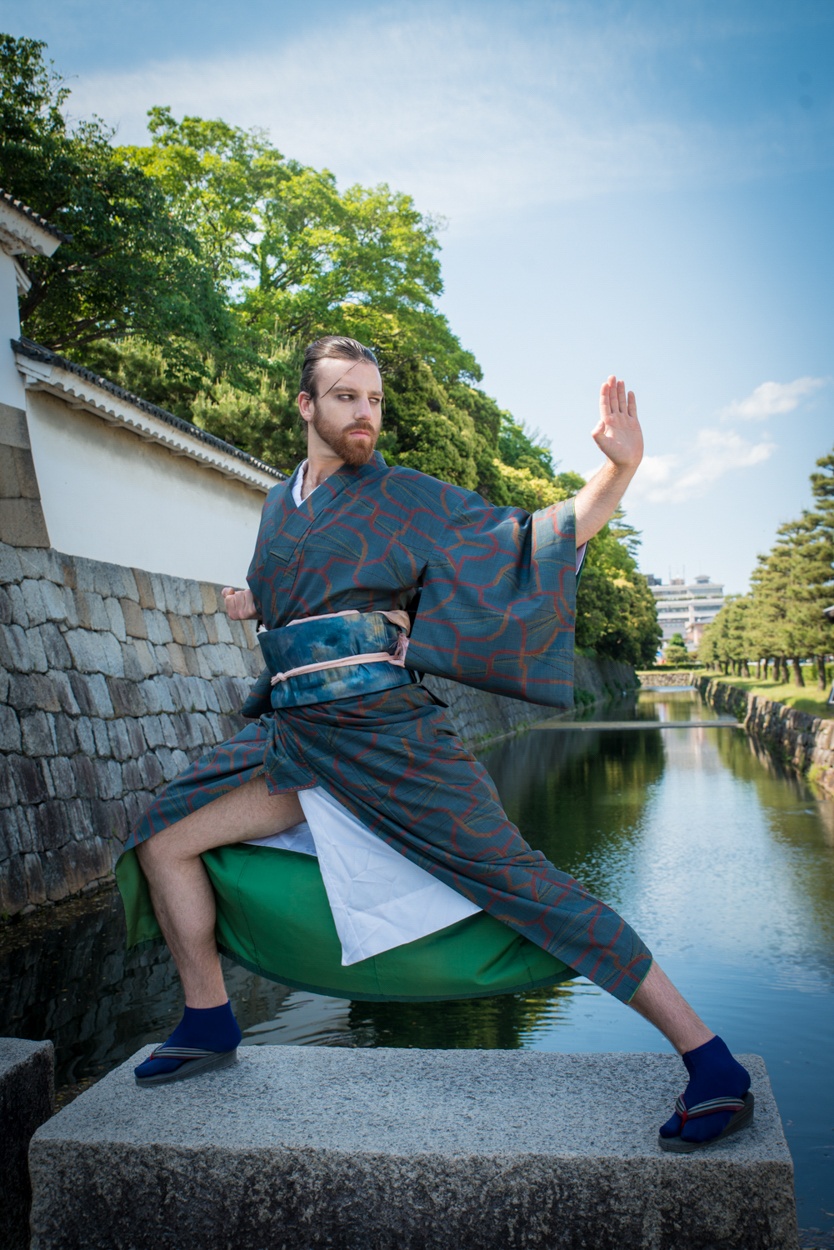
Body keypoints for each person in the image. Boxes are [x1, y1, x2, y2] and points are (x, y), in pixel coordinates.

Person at [119, 336, 752, 1152]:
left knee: (522, 885)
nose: (365, 414)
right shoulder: (282, 504)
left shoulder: (407, 496)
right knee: (164, 836)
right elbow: (299, 585)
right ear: (307, 407)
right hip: (298, 736)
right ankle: (208, 1017)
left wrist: (618, 472)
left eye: (375, 400)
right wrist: (256, 598)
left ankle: (711, 1062)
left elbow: (532, 541)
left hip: (388, 736)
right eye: (347, 397)